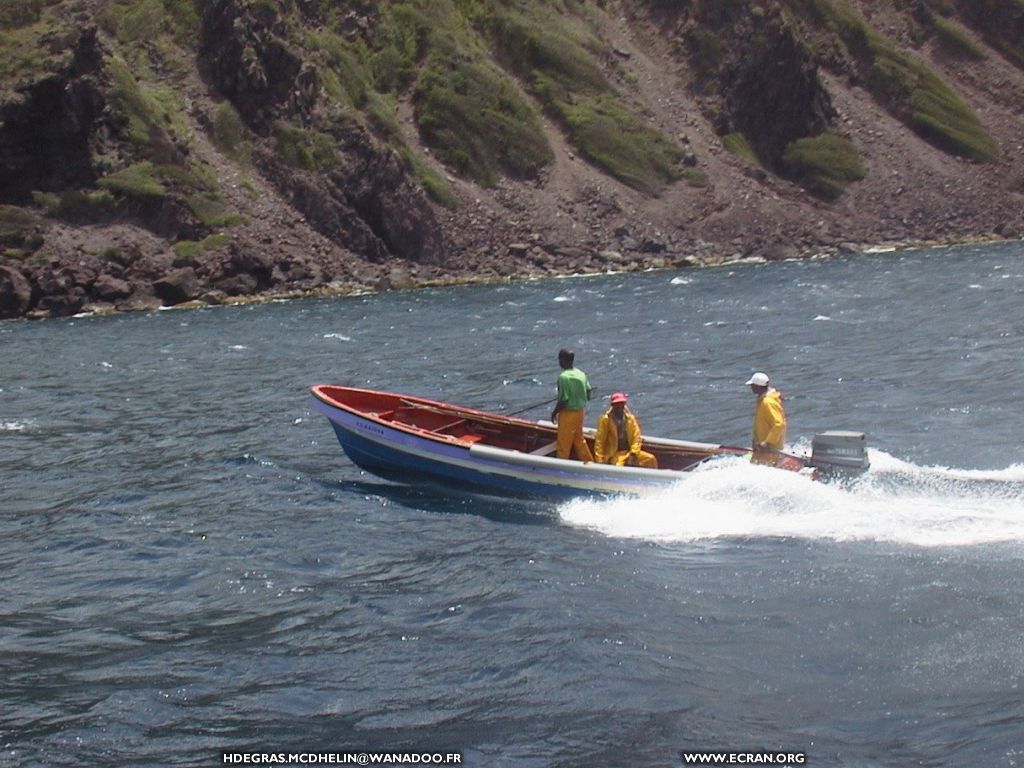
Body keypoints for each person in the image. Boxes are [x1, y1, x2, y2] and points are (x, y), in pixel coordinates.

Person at [594, 392, 658, 468]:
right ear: (612, 405)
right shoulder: (605, 420)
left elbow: (636, 438)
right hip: (614, 454)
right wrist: (599, 461)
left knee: (650, 459)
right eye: (617, 404)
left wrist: (633, 453)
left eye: (622, 403)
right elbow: (599, 442)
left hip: (629, 452)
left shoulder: (630, 419)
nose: (619, 406)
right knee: (618, 466)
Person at [551, 348, 594, 461]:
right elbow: (589, 393)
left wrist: (554, 412)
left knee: (563, 443)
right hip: (580, 413)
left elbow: (563, 400)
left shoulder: (563, 377)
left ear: (563, 360)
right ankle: (589, 462)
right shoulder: (581, 374)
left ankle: (561, 465)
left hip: (568, 414)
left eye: (560, 359)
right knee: (579, 440)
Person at [745, 371, 787, 465]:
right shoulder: (763, 399)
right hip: (762, 448)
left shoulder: (767, 402)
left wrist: (767, 442)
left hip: (768, 449)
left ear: (758, 386)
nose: (751, 387)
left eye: (753, 385)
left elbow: (779, 424)